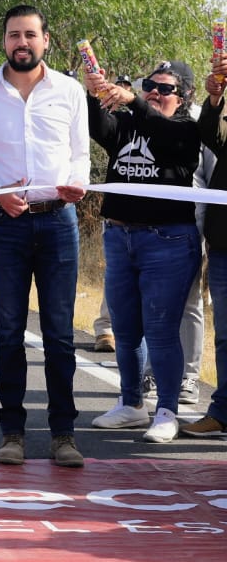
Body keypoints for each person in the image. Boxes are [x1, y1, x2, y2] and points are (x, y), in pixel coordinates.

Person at [0, 5, 89, 467]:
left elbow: (81, 156)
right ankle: (12, 433)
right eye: (14, 35)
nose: (22, 43)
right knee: (9, 332)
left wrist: (77, 184)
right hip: (5, 224)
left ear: (46, 40)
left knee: (59, 335)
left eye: (30, 34)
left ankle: (63, 435)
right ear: (4, 41)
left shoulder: (69, 91)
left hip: (58, 223)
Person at [85, 61, 201, 444]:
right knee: (125, 329)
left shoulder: (185, 129)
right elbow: (98, 127)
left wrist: (134, 100)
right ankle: (131, 404)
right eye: (150, 85)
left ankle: (166, 410)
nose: (154, 91)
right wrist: (94, 93)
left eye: (165, 89)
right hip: (120, 237)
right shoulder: (131, 123)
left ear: (183, 97)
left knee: (162, 330)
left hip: (166, 241)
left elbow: (161, 131)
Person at [182, 54, 227, 437]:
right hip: (225, 241)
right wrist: (216, 100)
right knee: (226, 333)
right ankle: (223, 412)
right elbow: (211, 136)